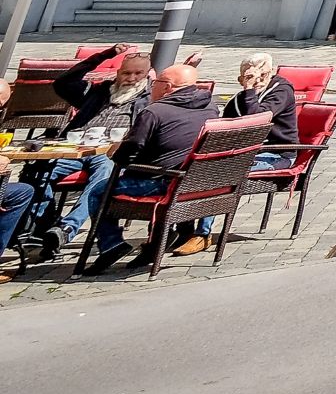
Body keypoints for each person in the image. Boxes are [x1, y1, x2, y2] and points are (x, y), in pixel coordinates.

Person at [80, 61, 219, 273]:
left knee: (98, 192)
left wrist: (117, 154)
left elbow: (127, 154)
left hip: (163, 183)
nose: (151, 85)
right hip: (196, 183)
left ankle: (111, 244)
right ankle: (156, 241)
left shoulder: (155, 112)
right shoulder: (210, 106)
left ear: (167, 87)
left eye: (155, 82)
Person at [47, 42, 151, 239]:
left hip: (109, 154)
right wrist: (105, 55)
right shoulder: (97, 91)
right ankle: (44, 222)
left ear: (147, 74)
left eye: (138, 74)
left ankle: (67, 228)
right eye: (126, 73)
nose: (131, 79)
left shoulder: (149, 99)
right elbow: (62, 83)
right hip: (75, 148)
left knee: (105, 172)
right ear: (118, 72)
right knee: (39, 170)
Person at [197, 54, 301, 239]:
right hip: (247, 152)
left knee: (223, 172)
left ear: (271, 72)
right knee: (199, 169)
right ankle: (183, 228)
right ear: (240, 79)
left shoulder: (281, 90)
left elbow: (257, 119)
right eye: (250, 77)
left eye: (263, 75)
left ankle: (202, 234)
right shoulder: (239, 99)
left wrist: (249, 89)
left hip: (278, 155)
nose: (258, 80)